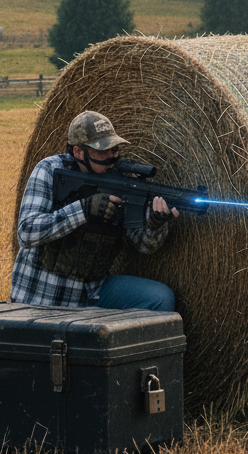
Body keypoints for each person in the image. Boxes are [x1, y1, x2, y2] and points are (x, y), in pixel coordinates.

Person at [11, 111, 178, 310]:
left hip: (93, 291)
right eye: (102, 151)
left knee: (160, 298)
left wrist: (155, 224)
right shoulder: (49, 170)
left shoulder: (122, 181)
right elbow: (26, 233)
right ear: (78, 152)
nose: (111, 157)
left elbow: (143, 246)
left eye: (114, 149)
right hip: (40, 298)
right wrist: (84, 209)